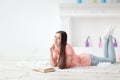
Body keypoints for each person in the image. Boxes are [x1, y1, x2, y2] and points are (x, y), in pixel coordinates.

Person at [50, 27, 116, 69]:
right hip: (85, 57)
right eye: (55, 37)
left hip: (89, 60)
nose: (55, 39)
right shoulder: (55, 49)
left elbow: (67, 65)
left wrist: (57, 62)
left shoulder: (67, 47)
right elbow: (53, 65)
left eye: (58, 38)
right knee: (106, 59)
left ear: (63, 40)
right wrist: (51, 51)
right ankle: (106, 38)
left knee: (112, 60)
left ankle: (109, 37)